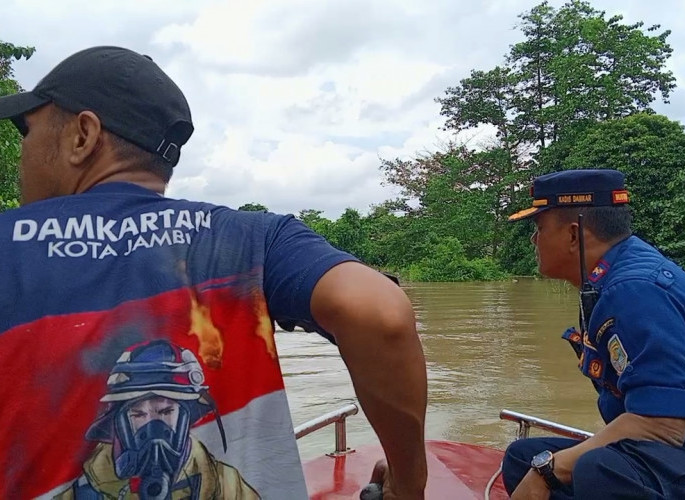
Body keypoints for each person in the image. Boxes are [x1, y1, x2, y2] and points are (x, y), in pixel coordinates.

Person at [0, 46, 427, 499]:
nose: (24, 148)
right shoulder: (253, 238)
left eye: (28, 130)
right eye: (141, 412)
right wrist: (408, 484)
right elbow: (380, 313)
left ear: (83, 135)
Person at [502, 169, 685, 499]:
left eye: (539, 229)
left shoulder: (634, 290)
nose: (534, 241)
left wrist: (549, 471)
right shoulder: (610, 278)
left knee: (596, 468)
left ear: (573, 236)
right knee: (523, 459)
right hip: (676, 453)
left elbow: (662, 425)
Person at [55, 340, 259, 499]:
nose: (152, 429)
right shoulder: (81, 494)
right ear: (119, 425)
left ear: (186, 420)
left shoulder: (226, 486)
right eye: (138, 414)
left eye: (165, 412)